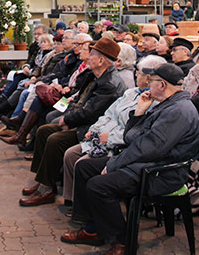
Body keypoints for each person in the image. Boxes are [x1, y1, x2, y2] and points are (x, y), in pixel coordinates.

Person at [62, 63, 199, 255]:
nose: (147, 85)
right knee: (85, 168)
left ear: (162, 84)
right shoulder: (165, 103)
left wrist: (114, 164)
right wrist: (138, 113)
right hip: (145, 162)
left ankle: (123, 242)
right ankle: (94, 229)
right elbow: (131, 138)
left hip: (160, 172)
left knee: (99, 186)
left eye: (151, 81)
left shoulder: (178, 110)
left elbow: (150, 148)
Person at [19, 37, 127, 206]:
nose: (88, 57)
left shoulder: (110, 83)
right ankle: (43, 181)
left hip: (92, 128)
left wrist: (67, 119)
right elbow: (80, 101)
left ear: (100, 60)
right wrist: (67, 116)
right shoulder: (94, 75)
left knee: (55, 139)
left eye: (91, 54)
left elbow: (91, 112)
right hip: (82, 121)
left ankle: (47, 189)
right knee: (44, 130)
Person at [60, 55, 167, 210]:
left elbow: (138, 132)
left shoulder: (154, 102)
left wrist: (110, 138)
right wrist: (94, 130)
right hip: (102, 136)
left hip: (118, 145)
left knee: (82, 163)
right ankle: (72, 200)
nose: (135, 74)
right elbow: (109, 114)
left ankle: (85, 210)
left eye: (138, 72)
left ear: (148, 78)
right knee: (70, 154)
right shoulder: (131, 93)